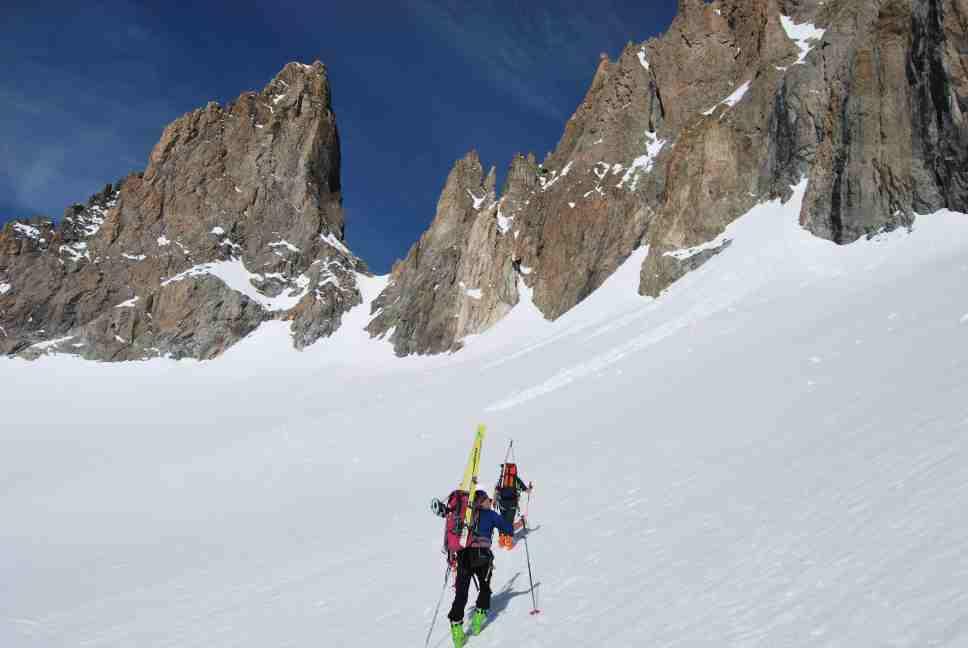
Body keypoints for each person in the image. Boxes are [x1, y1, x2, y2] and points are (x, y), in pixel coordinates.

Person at [447, 490, 524, 647]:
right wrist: (521, 523)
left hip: (463, 556)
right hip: (482, 557)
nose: (490, 501)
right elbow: (508, 529)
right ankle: (477, 622)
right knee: (485, 589)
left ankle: (457, 632)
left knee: (461, 594)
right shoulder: (490, 515)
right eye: (488, 499)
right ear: (482, 501)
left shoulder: (466, 515)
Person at [494, 463, 531, 549]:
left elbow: (496, 490)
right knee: (509, 522)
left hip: (502, 504)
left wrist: (495, 500)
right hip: (512, 505)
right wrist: (528, 489)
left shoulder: (502, 478)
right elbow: (525, 489)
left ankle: (502, 540)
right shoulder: (515, 478)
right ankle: (508, 541)